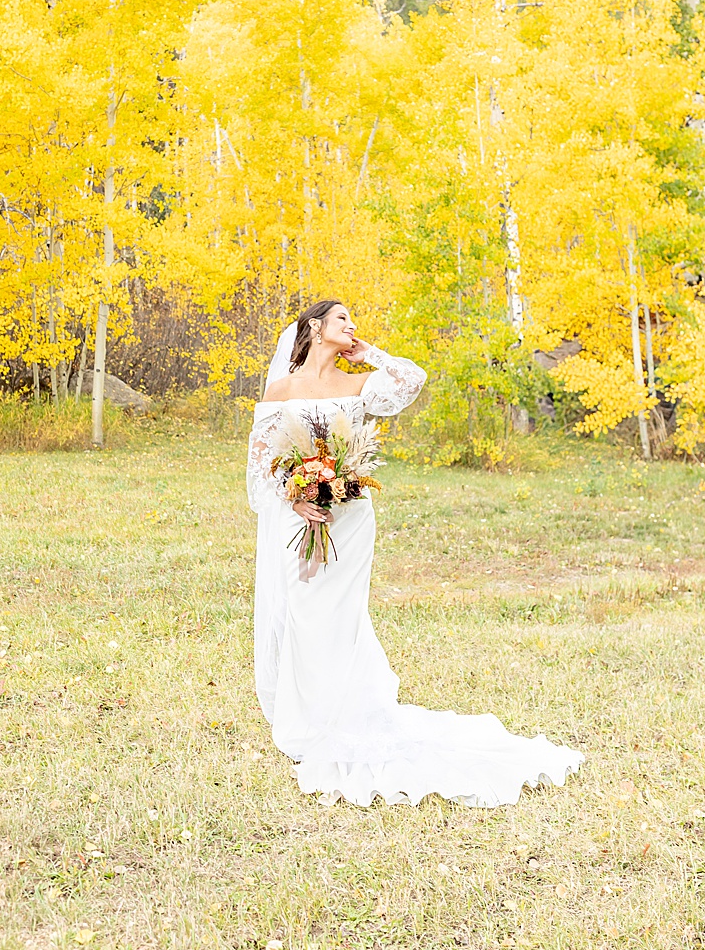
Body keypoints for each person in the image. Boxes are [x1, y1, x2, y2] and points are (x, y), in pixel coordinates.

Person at [246, 299, 584, 808]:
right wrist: (294, 496)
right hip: (301, 516)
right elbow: (261, 460)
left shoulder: (358, 385)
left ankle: (349, 715)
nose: (351, 324)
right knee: (302, 612)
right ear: (314, 327)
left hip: (348, 515)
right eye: (342, 319)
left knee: (341, 616)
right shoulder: (281, 389)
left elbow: (412, 380)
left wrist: (372, 353)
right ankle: (311, 720)